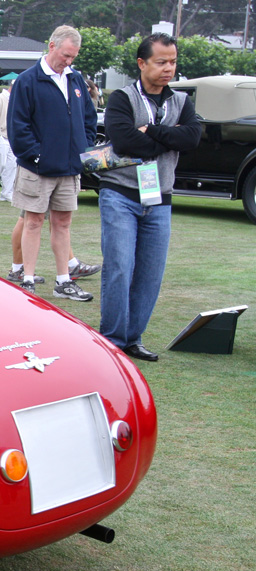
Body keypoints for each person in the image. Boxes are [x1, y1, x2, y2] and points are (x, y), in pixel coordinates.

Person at [97, 33, 200, 362]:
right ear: (142, 64)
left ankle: (133, 338)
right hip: (120, 195)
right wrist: (170, 138)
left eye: (172, 62)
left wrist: (152, 131)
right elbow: (124, 141)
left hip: (160, 198)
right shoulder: (122, 98)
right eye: (161, 62)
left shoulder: (181, 101)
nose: (168, 68)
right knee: (120, 268)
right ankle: (112, 339)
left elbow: (194, 137)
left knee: (150, 273)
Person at [8, 25, 97, 301]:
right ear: (51, 46)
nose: (68, 61)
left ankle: (63, 281)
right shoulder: (27, 80)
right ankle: (28, 280)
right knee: (33, 221)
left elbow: (89, 119)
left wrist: (84, 150)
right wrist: (37, 155)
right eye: (66, 55)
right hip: (37, 169)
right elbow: (17, 126)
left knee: (63, 223)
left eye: (73, 57)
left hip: (69, 168)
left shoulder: (76, 80)